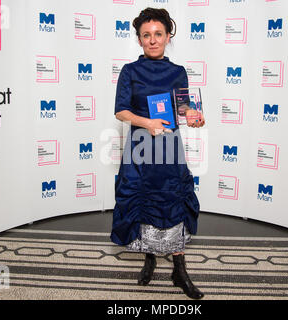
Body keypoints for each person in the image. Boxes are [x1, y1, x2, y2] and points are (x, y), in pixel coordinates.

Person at [110, 8, 205, 300]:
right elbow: (121, 110)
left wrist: (192, 114)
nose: (153, 40)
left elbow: (182, 107)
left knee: (171, 199)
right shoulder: (130, 71)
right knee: (142, 201)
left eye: (158, 34)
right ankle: (149, 259)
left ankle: (179, 270)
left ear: (168, 36)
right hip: (141, 146)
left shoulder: (177, 72)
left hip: (169, 147)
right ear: (139, 40)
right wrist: (147, 122)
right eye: (146, 35)